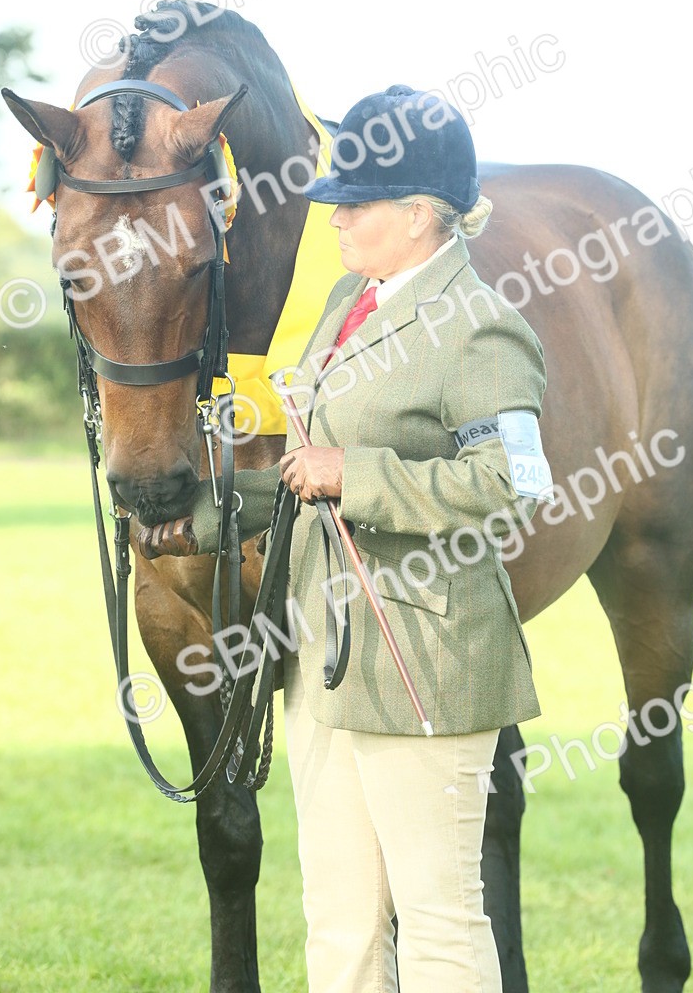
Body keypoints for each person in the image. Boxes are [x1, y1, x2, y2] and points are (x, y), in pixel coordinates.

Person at [158, 84, 550, 992]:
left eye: (354, 204)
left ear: (419, 213)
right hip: (324, 659)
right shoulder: (347, 302)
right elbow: (309, 470)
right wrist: (203, 514)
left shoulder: (483, 329)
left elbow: (514, 488)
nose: (332, 218)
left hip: (427, 665)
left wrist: (356, 474)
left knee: (441, 922)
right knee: (338, 922)